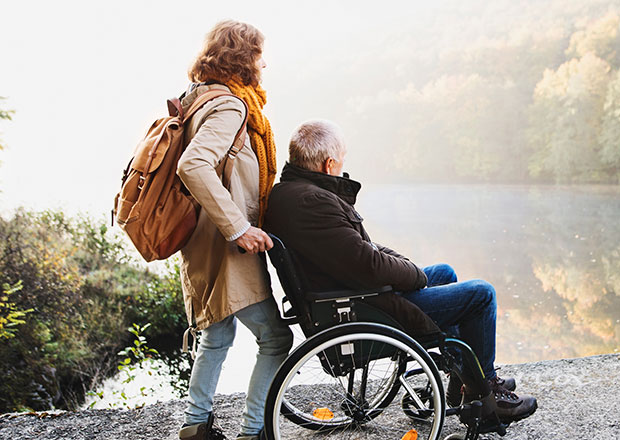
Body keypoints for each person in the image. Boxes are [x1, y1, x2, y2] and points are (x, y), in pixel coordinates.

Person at [263, 119, 537, 423]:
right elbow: (367, 265)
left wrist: (409, 269)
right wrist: (414, 274)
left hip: (352, 295)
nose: (342, 167)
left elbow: (360, 251)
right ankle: (486, 396)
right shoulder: (313, 201)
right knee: (481, 295)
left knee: (444, 272)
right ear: (329, 164)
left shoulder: (292, 194)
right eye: (341, 161)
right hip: (364, 307)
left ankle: (465, 379)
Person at [175, 20, 293, 440]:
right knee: (275, 339)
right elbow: (192, 166)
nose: (264, 64)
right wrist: (239, 227)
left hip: (199, 240)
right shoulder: (231, 106)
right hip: (225, 244)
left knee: (217, 333)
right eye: (259, 55)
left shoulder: (198, 98)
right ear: (244, 58)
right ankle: (253, 430)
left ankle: (195, 425)